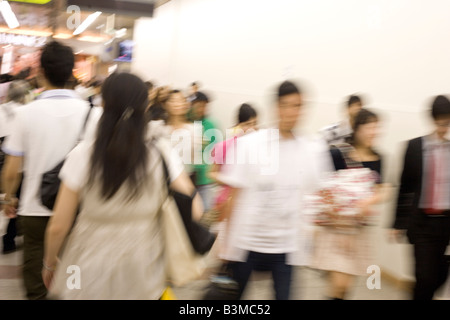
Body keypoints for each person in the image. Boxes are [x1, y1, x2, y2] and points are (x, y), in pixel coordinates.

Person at [41, 72, 204, 300]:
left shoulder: (84, 154)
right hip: (144, 263)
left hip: (86, 262)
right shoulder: (161, 152)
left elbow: (59, 224)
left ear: (104, 104)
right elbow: (195, 207)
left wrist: (50, 264)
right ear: (145, 106)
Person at [217, 81, 334, 300]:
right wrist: (225, 244)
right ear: (276, 108)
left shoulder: (312, 148)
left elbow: (321, 194)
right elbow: (234, 195)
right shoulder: (250, 144)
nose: (292, 112)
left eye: (298, 106)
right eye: (287, 105)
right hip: (246, 243)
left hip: (286, 247)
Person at [1, 41, 91, 300]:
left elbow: (12, 169)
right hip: (78, 209)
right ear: (71, 71)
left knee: (36, 276)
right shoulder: (92, 113)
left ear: (40, 71)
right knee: (73, 272)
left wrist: (9, 197)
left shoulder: (25, 114)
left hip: (34, 207)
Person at [310, 108, 389, 300]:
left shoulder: (379, 158)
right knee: (339, 285)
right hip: (335, 229)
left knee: (345, 288)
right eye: (370, 127)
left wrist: (369, 201)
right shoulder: (339, 153)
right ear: (358, 129)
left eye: (376, 128)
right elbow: (323, 187)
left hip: (358, 231)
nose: (374, 132)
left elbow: (383, 189)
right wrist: (338, 216)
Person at [391, 95, 450, 300]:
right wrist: (397, 222)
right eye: (440, 122)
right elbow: (404, 186)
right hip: (422, 224)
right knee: (424, 277)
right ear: (433, 120)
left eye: (447, 122)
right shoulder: (415, 147)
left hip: (444, 225)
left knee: (440, 275)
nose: (444, 127)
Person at [203, 103, 258, 229]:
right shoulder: (225, 146)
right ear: (238, 125)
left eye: (255, 124)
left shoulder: (260, 148)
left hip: (250, 203)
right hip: (226, 202)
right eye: (247, 124)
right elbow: (211, 173)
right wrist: (232, 179)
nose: (252, 128)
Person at [0, 80, 30, 254]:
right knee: (17, 198)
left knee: (8, 198)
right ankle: (10, 238)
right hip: (17, 163)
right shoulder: (25, 112)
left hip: (2, 160)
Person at [189, 91, 220, 213]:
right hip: (187, 177)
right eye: (199, 105)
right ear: (191, 105)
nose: (202, 109)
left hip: (204, 179)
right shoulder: (185, 123)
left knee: (205, 211)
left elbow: (217, 151)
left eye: (205, 106)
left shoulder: (211, 125)